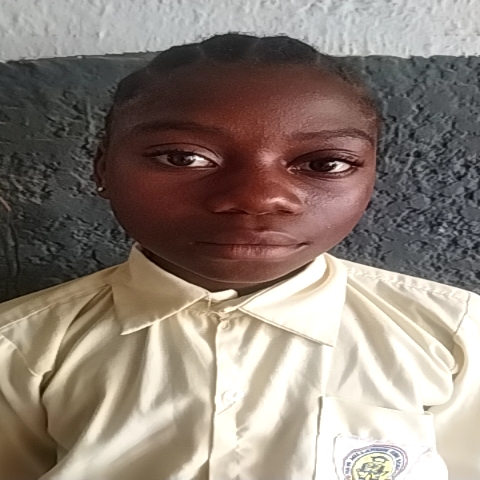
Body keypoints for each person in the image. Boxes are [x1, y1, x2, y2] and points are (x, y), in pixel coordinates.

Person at [0, 33, 478, 480]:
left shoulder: (456, 336)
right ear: (103, 168)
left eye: (325, 163)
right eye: (183, 157)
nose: (258, 198)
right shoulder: (18, 348)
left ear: (371, 176)